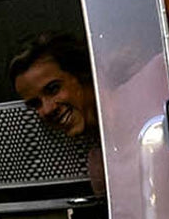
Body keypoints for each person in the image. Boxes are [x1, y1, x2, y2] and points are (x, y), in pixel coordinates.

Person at [9, 31, 106, 197]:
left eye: (53, 89)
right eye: (35, 104)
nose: (47, 109)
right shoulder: (98, 160)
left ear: (82, 74)